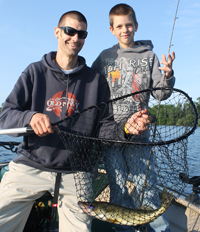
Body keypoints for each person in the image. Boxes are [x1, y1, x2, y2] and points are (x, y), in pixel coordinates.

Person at [0, 10, 143, 232]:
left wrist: (126, 129)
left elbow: (104, 130)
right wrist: (30, 117)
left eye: (82, 34)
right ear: (57, 32)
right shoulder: (34, 72)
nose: (75, 38)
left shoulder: (96, 81)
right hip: (31, 165)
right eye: (70, 31)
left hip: (77, 172)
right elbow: (5, 117)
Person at [91, 3, 175, 232]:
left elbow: (161, 93)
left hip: (140, 136)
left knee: (145, 189)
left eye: (129, 25)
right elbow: (91, 87)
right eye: (119, 26)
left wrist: (168, 75)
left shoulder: (150, 55)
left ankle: (159, 229)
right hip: (111, 137)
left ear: (136, 26)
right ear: (111, 29)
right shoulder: (104, 57)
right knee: (117, 189)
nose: (125, 30)